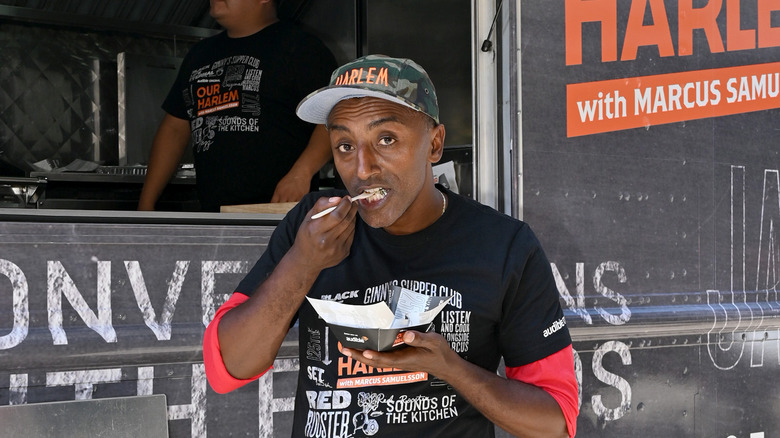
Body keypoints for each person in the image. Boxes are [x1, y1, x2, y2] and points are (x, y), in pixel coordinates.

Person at [203, 55, 579, 437]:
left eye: (386, 139)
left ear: (434, 145)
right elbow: (227, 369)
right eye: (345, 145)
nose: (362, 169)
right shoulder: (313, 225)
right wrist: (302, 262)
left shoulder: (504, 246)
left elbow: (555, 421)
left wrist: (451, 369)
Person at [138, 0, 337, 212]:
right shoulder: (199, 55)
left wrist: (302, 172)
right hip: (214, 218)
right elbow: (174, 130)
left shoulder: (301, 48)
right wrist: (145, 205)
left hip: (282, 215)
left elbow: (335, 116)